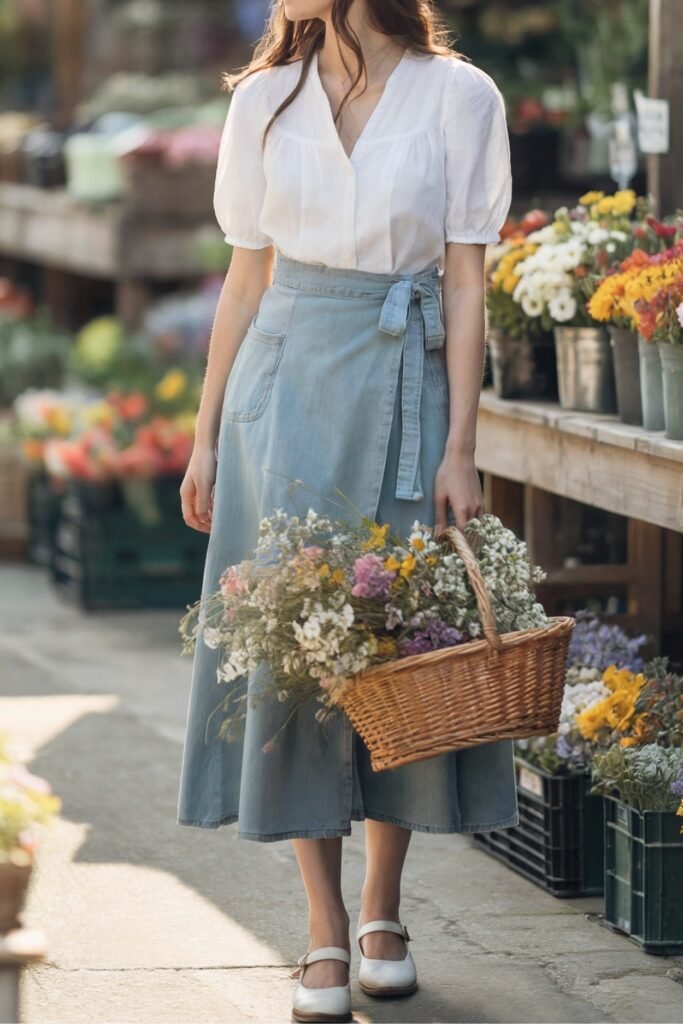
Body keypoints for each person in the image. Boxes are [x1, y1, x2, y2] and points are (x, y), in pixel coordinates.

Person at [177, 0, 517, 1020]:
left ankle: (381, 908)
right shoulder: (263, 100)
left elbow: (464, 280)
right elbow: (244, 278)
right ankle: (322, 924)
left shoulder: (460, 95)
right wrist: (202, 433)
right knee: (293, 648)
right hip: (281, 388)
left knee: (394, 649)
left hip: (406, 379)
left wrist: (461, 444)